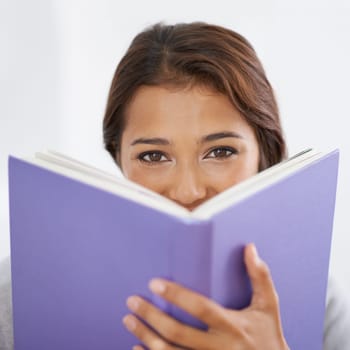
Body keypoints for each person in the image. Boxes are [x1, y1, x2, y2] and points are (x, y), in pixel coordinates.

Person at [0, 21, 349, 349]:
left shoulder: (320, 305)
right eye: (153, 156)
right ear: (118, 159)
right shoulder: (17, 294)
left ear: (265, 156)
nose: (187, 192)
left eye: (221, 151)